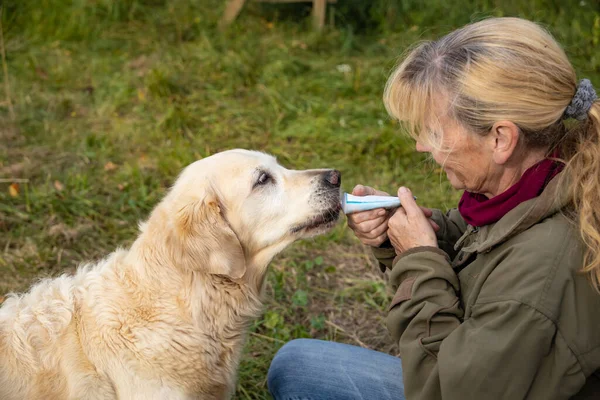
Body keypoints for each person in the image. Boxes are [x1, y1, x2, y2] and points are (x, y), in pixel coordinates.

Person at [267, 17, 600, 399]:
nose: (421, 147)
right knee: (297, 366)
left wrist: (420, 258)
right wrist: (406, 232)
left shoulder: (543, 273)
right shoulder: (548, 183)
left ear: (501, 139)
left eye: (436, 132)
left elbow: (444, 390)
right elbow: (493, 252)